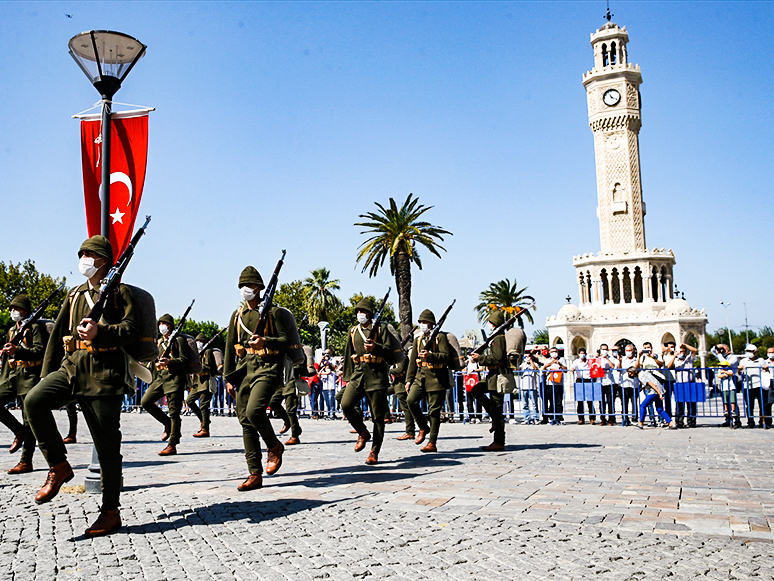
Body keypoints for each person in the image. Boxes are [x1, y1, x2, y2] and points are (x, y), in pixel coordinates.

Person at [25, 235, 139, 536]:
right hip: (72, 368)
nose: (84, 260)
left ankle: (110, 511)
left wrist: (100, 332)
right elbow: (58, 334)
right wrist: (46, 374)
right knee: (33, 401)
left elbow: (130, 330)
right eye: (82, 254)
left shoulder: (120, 293)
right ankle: (59, 466)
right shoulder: (75, 295)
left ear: (103, 261)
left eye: (90, 255)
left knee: (107, 449)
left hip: (104, 376)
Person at [224, 266, 289, 491]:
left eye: (250, 285)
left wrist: (266, 342)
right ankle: (254, 473)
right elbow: (229, 348)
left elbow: (285, 341)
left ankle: (274, 446)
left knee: (254, 411)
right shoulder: (237, 315)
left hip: (268, 368)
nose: (245, 289)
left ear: (260, 288)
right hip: (244, 370)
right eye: (242, 286)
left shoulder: (273, 312)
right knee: (245, 422)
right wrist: (228, 377)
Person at [340, 297, 393, 465]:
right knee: (346, 404)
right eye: (358, 311)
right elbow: (349, 354)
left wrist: (375, 347)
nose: (360, 314)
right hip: (359, 373)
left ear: (370, 313)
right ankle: (362, 432)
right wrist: (347, 378)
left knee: (377, 417)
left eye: (363, 311)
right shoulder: (353, 331)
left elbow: (390, 352)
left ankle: (374, 451)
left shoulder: (382, 328)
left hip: (376, 375)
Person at [0, 295, 45, 474]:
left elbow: (40, 351)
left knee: (30, 421)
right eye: (12, 308)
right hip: (12, 376)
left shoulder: (34, 328)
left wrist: (18, 350)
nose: (13, 312)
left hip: (29, 377)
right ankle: (18, 431)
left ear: (25, 310)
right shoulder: (12, 330)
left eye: (16, 308)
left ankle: (26, 461)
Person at [141, 314, 190, 455]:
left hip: (174, 379)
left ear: (170, 326)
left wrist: (170, 362)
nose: (161, 325)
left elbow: (184, 360)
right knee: (145, 401)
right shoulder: (159, 342)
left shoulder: (178, 340)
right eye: (160, 323)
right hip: (160, 379)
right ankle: (166, 423)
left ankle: (172, 444)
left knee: (174, 413)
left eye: (164, 323)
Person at [406, 309, 450, 453]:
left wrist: (430, 356)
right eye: (421, 322)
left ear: (431, 324)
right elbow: (413, 361)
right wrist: (408, 380)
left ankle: (432, 442)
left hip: (437, 376)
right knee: (411, 400)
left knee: (434, 411)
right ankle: (423, 427)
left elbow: (445, 356)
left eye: (425, 322)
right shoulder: (419, 339)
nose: (422, 325)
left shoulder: (440, 337)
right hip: (421, 376)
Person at [470, 311, 509, 451]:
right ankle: (492, 416)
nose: (490, 326)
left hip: (498, 376)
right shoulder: (496, 338)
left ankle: (499, 441)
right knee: (476, 390)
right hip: (492, 376)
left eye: (491, 323)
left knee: (497, 408)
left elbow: (497, 358)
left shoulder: (499, 339)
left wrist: (479, 359)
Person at [187, 333, 219, 438]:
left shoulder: (207, 352)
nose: (198, 343)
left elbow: (208, 367)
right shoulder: (196, 353)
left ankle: (205, 429)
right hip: (197, 382)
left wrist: (197, 367)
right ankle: (203, 420)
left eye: (200, 341)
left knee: (204, 405)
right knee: (189, 401)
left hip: (206, 381)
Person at [711, 344, 740, 427]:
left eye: (724, 349)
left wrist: (720, 354)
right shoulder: (721, 356)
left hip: (732, 381)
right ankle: (727, 420)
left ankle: (737, 420)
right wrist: (717, 346)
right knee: (725, 401)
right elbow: (712, 351)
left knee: (733, 401)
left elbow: (726, 364)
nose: (722, 350)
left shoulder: (733, 357)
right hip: (724, 383)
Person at [389, 347, 415, 440]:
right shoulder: (397, 356)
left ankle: (410, 431)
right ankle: (386, 416)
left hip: (401, 384)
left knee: (406, 408)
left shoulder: (401, 356)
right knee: (380, 393)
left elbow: (400, 369)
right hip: (396, 384)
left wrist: (387, 370)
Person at [739, 344, 767, 428]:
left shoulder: (761, 360)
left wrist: (766, 368)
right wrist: (739, 369)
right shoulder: (743, 361)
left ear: (755, 352)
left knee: (762, 404)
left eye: (750, 351)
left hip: (759, 384)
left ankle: (762, 421)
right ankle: (750, 422)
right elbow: (739, 373)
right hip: (748, 386)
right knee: (749, 405)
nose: (749, 353)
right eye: (747, 351)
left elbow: (766, 370)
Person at [673, 343, 698, 428]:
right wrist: (674, 356)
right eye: (679, 352)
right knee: (679, 404)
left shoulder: (689, 358)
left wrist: (685, 345)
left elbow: (695, 350)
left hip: (689, 382)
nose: (681, 353)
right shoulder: (675, 361)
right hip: (680, 383)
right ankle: (679, 421)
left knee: (691, 404)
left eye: (682, 352)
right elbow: (668, 366)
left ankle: (691, 421)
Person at [541, 346, 566, 425]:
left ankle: (559, 417)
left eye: (555, 351)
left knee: (558, 401)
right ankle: (551, 417)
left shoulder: (561, 359)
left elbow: (565, 370)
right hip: (550, 383)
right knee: (551, 401)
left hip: (558, 383)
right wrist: (546, 366)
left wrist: (560, 364)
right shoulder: (547, 360)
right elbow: (543, 373)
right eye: (552, 352)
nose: (553, 353)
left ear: (558, 352)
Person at [571, 348, 594, 425]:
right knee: (580, 401)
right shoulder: (576, 362)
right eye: (581, 353)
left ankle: (592, 418)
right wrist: (572, 369)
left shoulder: (589, 362)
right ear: (578, 354)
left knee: (590, 401)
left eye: (583, 353)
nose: (582, 354)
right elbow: (572, 367)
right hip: (580, 380)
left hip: (588, 380)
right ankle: (581, 418)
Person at [518, 353, 540, 424]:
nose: (526, 358)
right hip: (523, 387)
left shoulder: (535, 364)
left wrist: (531, 361)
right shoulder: (523, 365)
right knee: (525, 404)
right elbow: (517, 369)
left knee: (534, 404)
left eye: (528, 356)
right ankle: (526, 418)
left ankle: (536, 418)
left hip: (532, 386)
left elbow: (536, 369)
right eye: (526, 357)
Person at [598, 344, 617, 425]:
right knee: (601, 402)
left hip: (609, 382)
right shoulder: (598, 359)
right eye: (602, 349)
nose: (604, 351)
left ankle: (611, 419)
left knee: (610, 401)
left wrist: (607, 359)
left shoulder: (611, 358)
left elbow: (613, 366)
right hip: (600, 382)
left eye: (605, 349)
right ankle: (602, 418)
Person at [716, 359, 738, 428]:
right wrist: (724, 374)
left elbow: (731, 373)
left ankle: (733, 410)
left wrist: (725, 372)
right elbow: (719, 376)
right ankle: (726, 410)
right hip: (724, 387)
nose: (722, 367)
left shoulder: (729, 370)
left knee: (732, 400)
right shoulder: (720, 371)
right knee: (725, 400)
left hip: (731, 387)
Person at [618, 345, 637, 426]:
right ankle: (625, 418)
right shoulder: (623, 360)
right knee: (624, 403)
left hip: (634, 384)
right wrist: (619, 361)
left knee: (634, 402)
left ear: (633, 351)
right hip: (624, 384)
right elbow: (618, 369)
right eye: (627, 350)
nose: (628, 352)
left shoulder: (636, 360)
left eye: (630, 350)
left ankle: (634, 418)